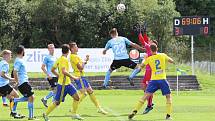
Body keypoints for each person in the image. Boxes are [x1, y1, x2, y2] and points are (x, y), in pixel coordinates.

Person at [128, 43, 174, 120]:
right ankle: (168, 116)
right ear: (157, 49)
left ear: (150, 50)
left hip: (153, 80)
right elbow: (172, 61)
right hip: (162, 79)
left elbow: (141, 66)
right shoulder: (162, 55)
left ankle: (134, 112)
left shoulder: (149, 58)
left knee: (145, 96)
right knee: (168, 97)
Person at [43, 44, 83, 121]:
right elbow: (64, 71)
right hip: (63, 85)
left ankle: (74, 114)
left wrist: (59, 75)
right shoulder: (64, 59)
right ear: (68, 51)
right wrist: (73, 77)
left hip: (68, 84)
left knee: (77, 98)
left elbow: (52, 70)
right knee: (57, 102)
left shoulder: (59, 59)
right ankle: (46, 114)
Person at [69, 42, 108, 115]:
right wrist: (84, 62)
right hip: (79, 77)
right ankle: (73, 108)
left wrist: (85, 60)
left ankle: (99, 108)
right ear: (72, 49)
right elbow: (81, 67)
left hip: (81, 76)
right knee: (84, 94)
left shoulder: (75, 56)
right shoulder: (73, 56)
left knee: (90, 91)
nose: (77, 48)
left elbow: (81, 64)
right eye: (75, 47)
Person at [129, 32, 158, 114]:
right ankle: (150, 102)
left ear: (154, 45)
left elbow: (143, 42)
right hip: (147, 72)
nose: (149, 42)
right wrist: (144, 33)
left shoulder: (149, 48)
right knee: (144, 87)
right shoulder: (150, 48)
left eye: (151, 42)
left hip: (150, 72)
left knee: (148, 89)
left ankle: (149, 105)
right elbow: (146, 41)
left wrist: (139, 34)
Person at [11, 45, 36, 120]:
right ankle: (31, 117)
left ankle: (15, 100)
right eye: (24, 51)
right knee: (31, 97)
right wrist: (17, 81)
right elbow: (15, 72)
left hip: (23, 82)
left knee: (29, 97)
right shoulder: (18, 60)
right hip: (23, 83)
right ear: (22, 51)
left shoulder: (19, 60)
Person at [0, 50, 24, 119]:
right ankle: (14, 113)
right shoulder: (5, 64)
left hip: (2, 85)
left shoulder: (1, 62)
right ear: (6, 55)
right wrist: (11, 79)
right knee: (16, 95)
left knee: (11, 98)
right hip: (3, 85)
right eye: (10, 55)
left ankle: (13, 112)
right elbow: (2, 74)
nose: (11, 56)